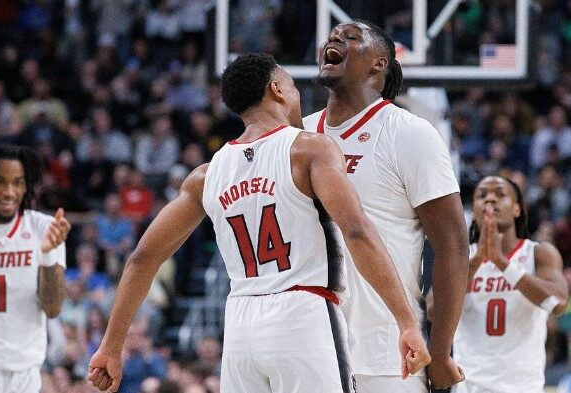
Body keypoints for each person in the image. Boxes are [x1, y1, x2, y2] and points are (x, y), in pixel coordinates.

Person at [88, 53, 430, 392]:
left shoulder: (205, 176)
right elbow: (356, 231)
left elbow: (142, 258)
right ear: (277, 88)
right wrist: (406, 321)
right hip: (303, 313)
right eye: (293, 86)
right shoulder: (310, 151)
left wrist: (110, 346)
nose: (296, 96)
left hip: (240, 327)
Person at [302, 21, 469, 392]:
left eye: (350, 37)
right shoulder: (297, 137)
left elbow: (453, 247)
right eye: (331, 35)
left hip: (386, 353)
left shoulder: (410, 132)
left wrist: (440, 352)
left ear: (378, 64)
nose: (333, 39)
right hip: (306, 347)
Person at [452, 176, 568, 393]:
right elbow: (432, 310)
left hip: (522, 387)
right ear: (473, 209)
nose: (490, 200)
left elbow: (559, 303)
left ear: (517, 209)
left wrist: (502, 264)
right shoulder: (462, 259)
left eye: (500, 194)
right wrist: (477, 261)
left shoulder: (538, 253)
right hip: (469, 386)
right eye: (482, 195)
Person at [0, 144, 71, 393]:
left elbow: (53, 308)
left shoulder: (44, 228)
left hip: (26, 369)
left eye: (17, 182)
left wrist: (47, 255)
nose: (9, 191)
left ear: (27, 186)